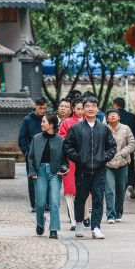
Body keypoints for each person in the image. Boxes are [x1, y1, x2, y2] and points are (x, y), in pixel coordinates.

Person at [63, 96, 117, 239]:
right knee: (80, 198)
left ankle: (96, 227)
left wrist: (103, 158)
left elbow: (112, 147)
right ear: (83, 109)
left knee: (98, 198)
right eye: (87, 106)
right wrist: (78, 158)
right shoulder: (76, 128)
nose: (91, 108)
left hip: (99, 170)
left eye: (93, 106)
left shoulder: (103, 128)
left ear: (97, 108)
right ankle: (79, 222)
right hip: (82, 170)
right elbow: (67, 146)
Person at [26, 114, 68, 239]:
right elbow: (31, 157)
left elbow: (65, 160)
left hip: (55, 173)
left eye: (44, 122)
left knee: (54, 202)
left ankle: (54, 229)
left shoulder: (60, 140)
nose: (41, 124)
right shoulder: (36, 138)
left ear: (51, 124)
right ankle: (40, 223)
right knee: (39, 203)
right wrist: (32, 172)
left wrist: (64, 168)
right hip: (40, 172)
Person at [104, 109, 135, 224]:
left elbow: (132, 144)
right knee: (109, 190)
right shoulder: (103, 128)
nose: (112, 116)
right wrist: (105, 156)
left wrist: (123, 153)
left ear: (119, 117)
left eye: (114, 114)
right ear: (107, 118)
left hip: (122, 163)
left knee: (121, 190)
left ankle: (118, 212)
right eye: (110, 115)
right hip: (107, 164)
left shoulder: (126, 128)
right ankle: (110, 215)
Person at [19, 97, 48, 212]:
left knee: (46, 179)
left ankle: (46, 203)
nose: (42, 111)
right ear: (35, 106)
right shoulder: (27, 120)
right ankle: (34, 205)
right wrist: (26, 152)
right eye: (40, 108)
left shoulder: (47, 119)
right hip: (32, 155)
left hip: (46, 154)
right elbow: (22, 138)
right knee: (32, 180)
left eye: (44, 108)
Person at [58, 97, 84, 230]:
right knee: (70, 191)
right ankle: (74, 220)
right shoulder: (66, 123)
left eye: (82, 108)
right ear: (73, 109)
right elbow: (62, 139)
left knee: (87, 189)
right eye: (78, 109)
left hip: (86, 160)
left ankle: (85, 216)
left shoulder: (91, 122)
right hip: (71, 160)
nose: (80, 111)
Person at [112, 97, 135, 199]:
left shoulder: (112, 116)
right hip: (129, 146)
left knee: (117, 167)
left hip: (115, 147)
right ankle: (131, 184)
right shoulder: (131, 116)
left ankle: (120, 188)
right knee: (130, 166)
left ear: (115, 105)